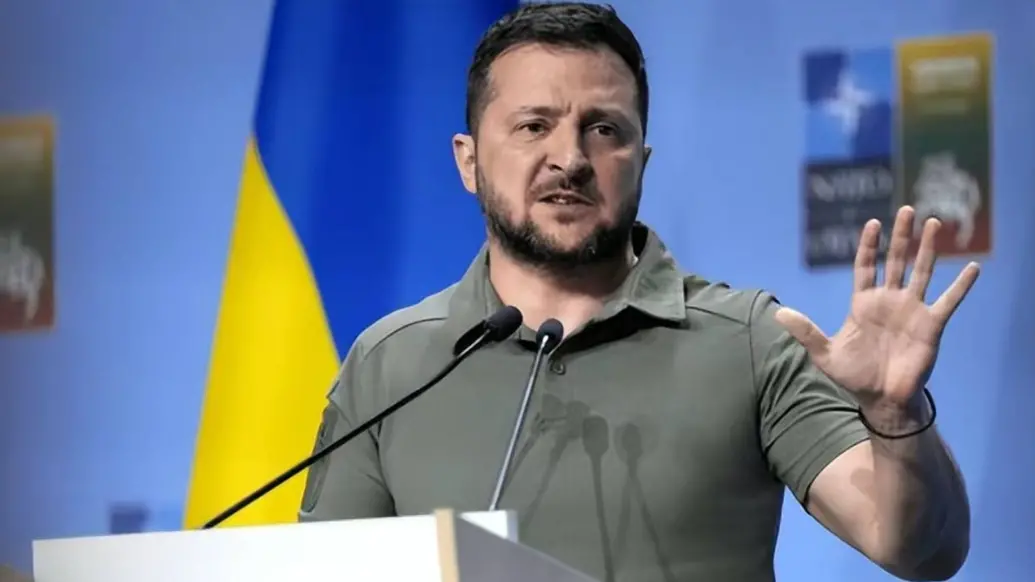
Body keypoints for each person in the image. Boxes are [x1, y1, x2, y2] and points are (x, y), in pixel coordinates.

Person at [298, 3, 978, 581]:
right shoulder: (389, 364)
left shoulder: (749, 341)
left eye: (604, 129)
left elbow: (919, 548)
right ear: (469, 161)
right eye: (533, 126)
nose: (569, 158)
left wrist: (895, 417)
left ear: (641, 161)